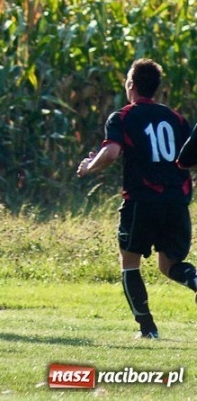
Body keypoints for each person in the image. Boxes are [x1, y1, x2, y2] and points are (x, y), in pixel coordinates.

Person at [77, 58, 197, 338]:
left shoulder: (122, 117)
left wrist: (89, 167)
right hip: (176, 201)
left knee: (129, 262)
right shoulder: (177, 119)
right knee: (169, 265)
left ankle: (148, 329)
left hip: (142, 200)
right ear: (157, 88)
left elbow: (111, 153)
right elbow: (190, 156)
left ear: (131, 85)